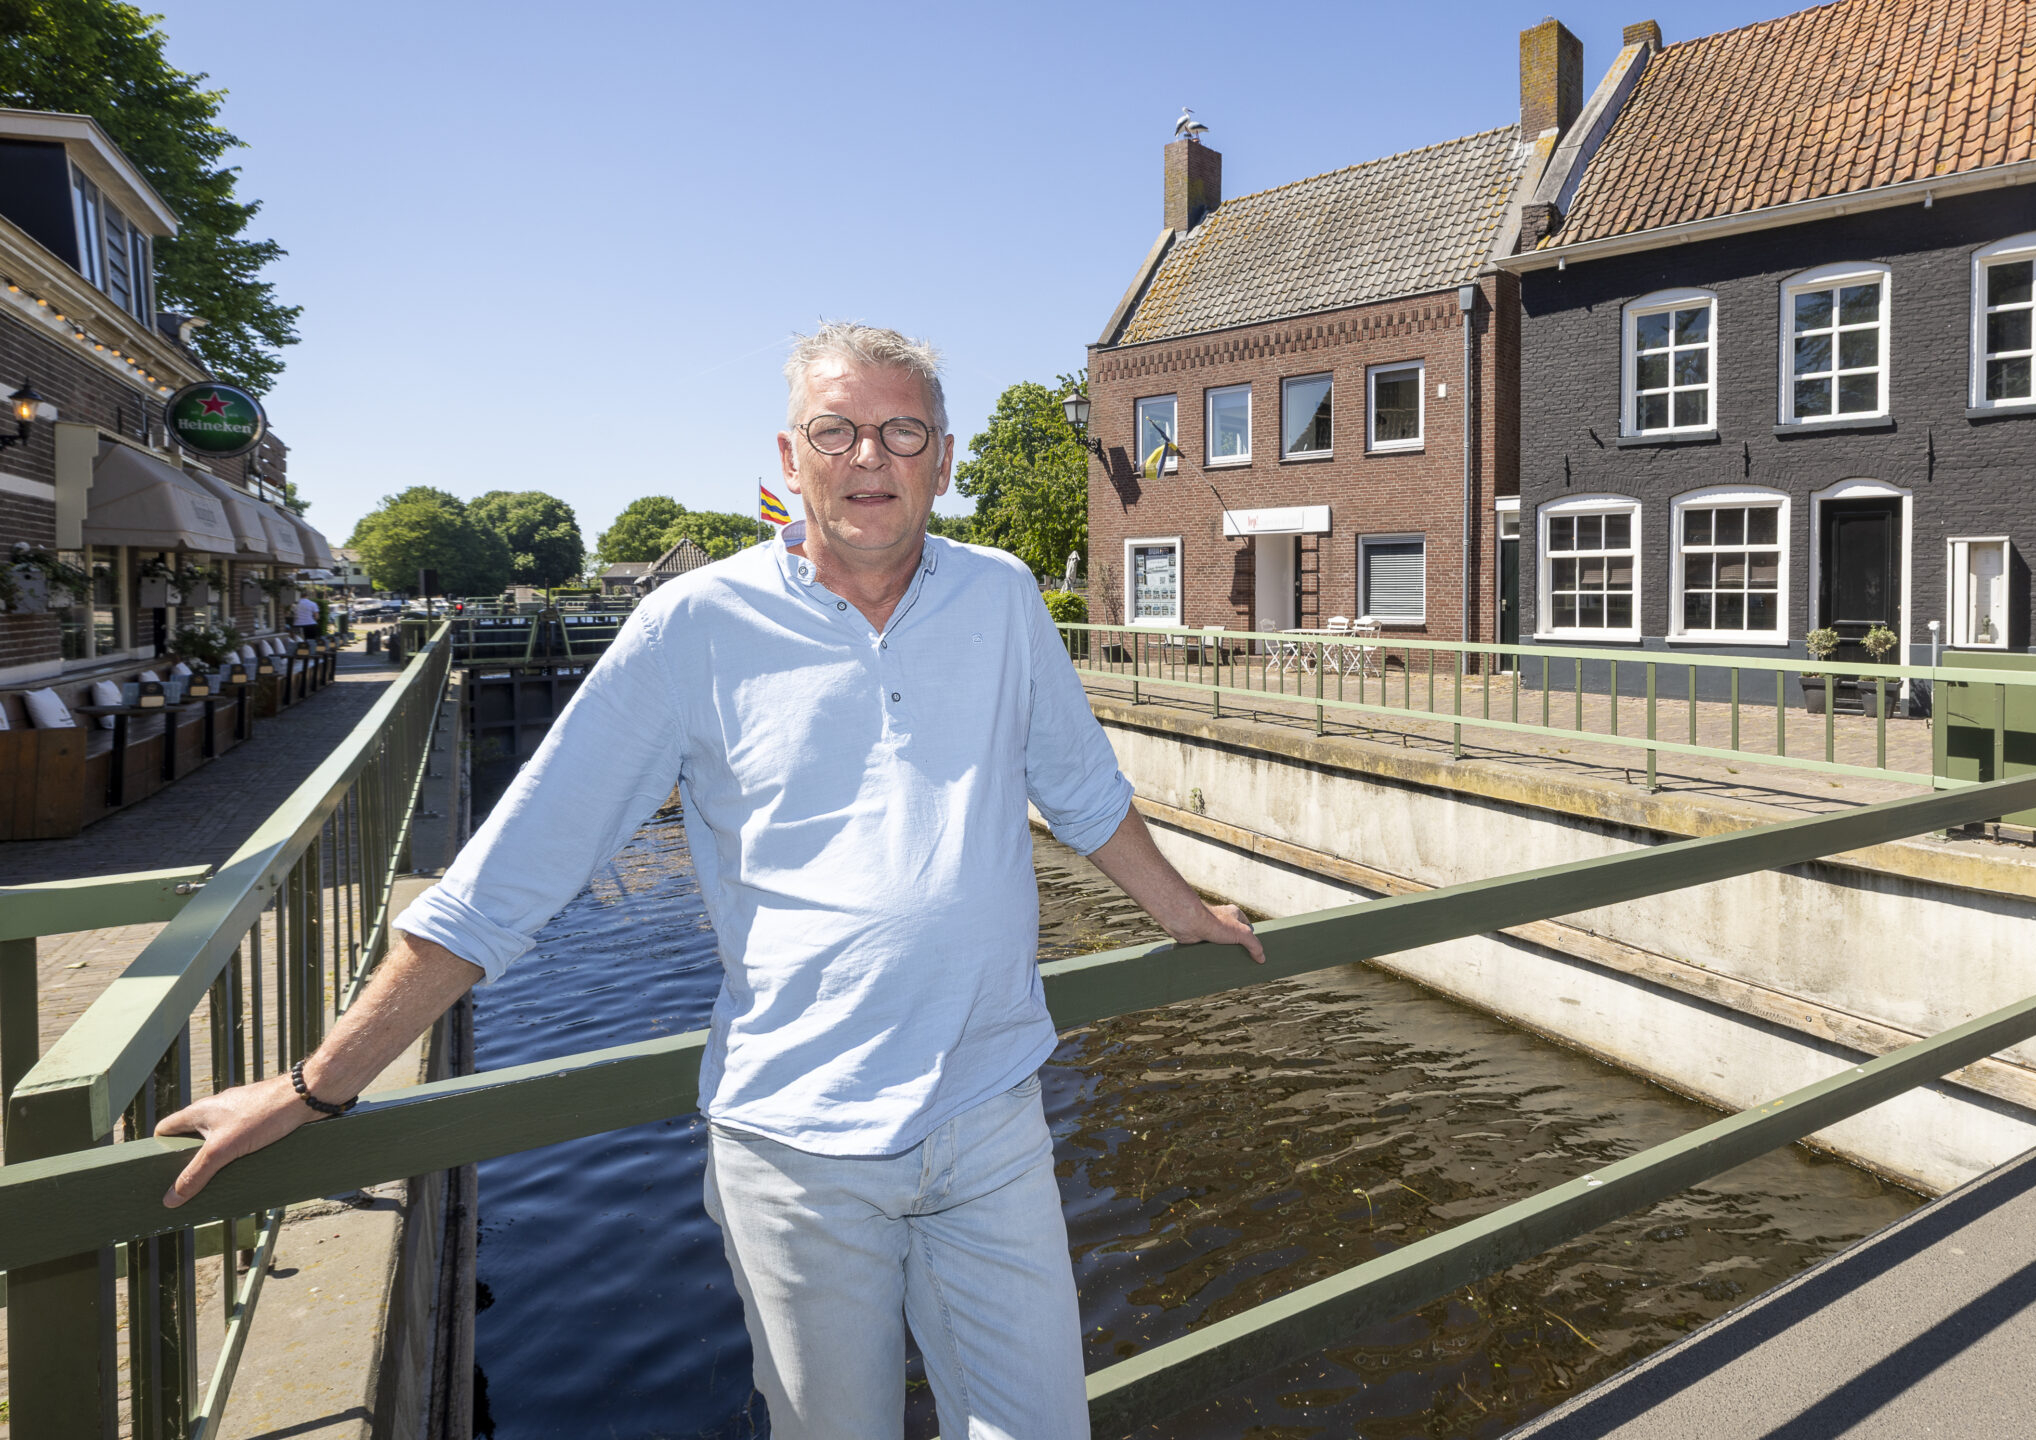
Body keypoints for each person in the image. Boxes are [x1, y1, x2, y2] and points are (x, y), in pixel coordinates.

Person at [152, 323, 1263, 1439]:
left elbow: (1078, 786)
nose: (868, 456)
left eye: (901, 430)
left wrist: (1181, 910)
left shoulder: (1003, 595)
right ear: (791, 459)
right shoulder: (695, 624)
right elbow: (513, 873)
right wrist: (315, 1087)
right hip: (796, 1144)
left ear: (945, 456)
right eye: (835, 431)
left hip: (991, 1113)